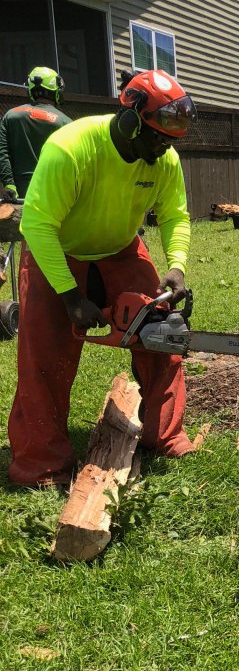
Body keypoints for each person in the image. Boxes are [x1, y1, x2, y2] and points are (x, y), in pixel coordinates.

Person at [7, 69, 198, 489]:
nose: (164, 147)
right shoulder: (71, 148)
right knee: (44, 354)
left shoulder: (164, 159)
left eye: (171, 141)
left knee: (163, 334)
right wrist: (70, 297)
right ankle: (40, 462)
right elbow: (37, 226)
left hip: (121, 248)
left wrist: (177, 265)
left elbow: (174, 215)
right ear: (130, 121)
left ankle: (165, 434)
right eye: (158, 138)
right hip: (56, 249)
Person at [0, 66, 72, 200]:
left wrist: (9, 184)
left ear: (31, 91)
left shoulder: (11, 115)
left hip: (20, 194)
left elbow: (2, 152)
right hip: (54, 194)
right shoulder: (66, 122)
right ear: (56, 91)